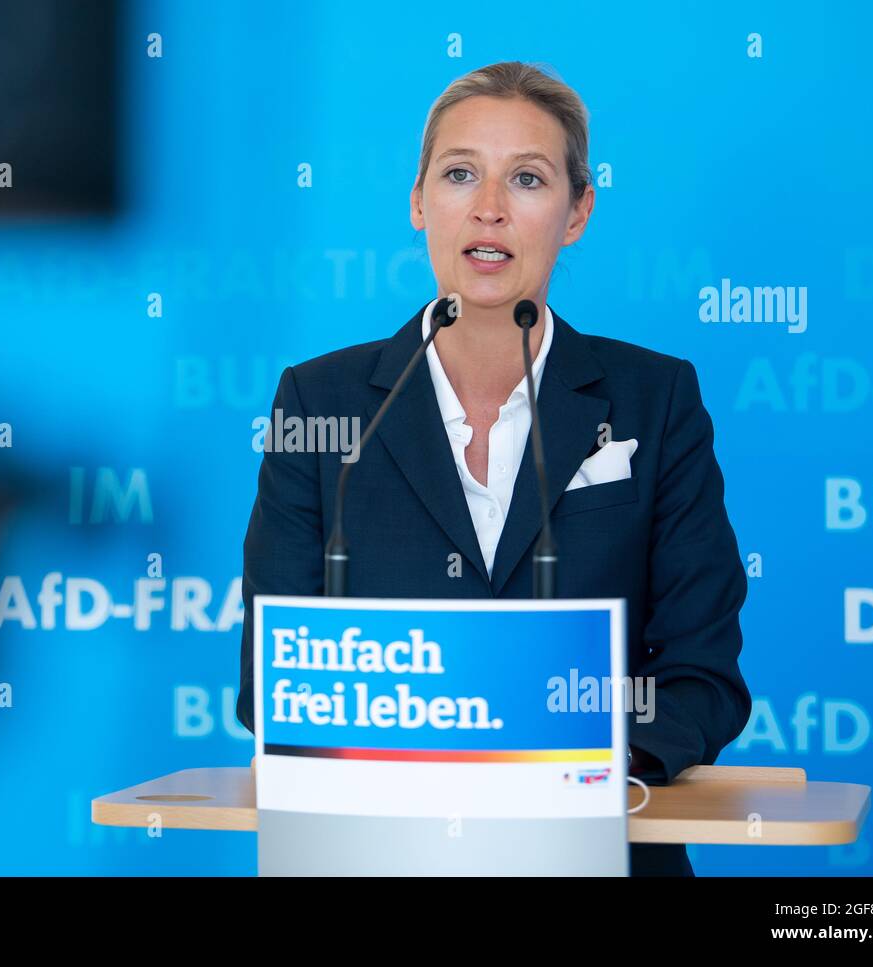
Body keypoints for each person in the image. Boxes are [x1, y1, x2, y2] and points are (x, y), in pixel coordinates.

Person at [236, 61, 751, 877]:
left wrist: (575, 768)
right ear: (418, 201)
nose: (489, 207)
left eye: (529, 179)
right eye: (461, 173)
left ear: (578, 211)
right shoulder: (317, 401)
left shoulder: (656, 401)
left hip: (598, 850)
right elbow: (273, 682)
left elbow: (702, 675)